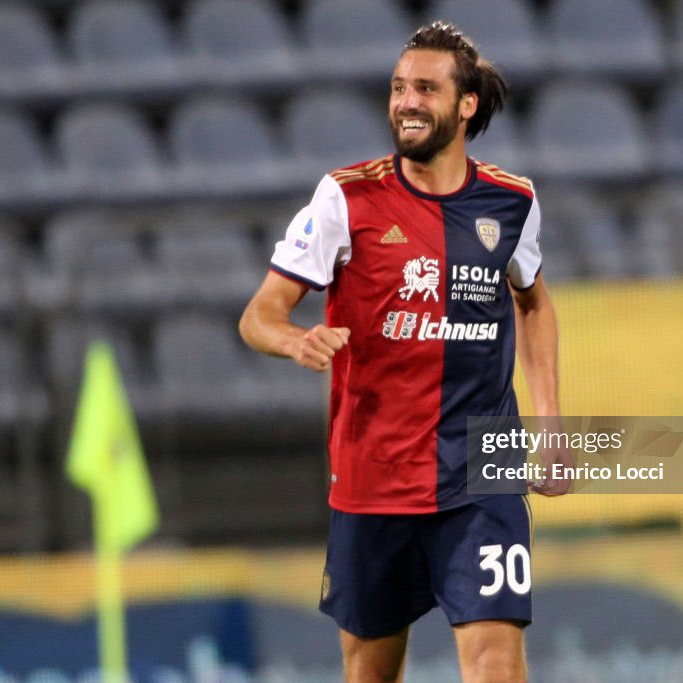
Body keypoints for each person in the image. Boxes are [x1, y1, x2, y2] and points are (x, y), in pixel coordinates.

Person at [239, 21, 567, 683]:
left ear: (465, 104)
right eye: (397, 88)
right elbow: (258, 314)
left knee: (498, 662)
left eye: (424, 87)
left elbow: (532, 300)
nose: (405, 101)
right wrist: (296, 338)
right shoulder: (346, 198)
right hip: (374, 475)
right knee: (371, 672)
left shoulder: (511, 202)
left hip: (483, 469)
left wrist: (551, 423)